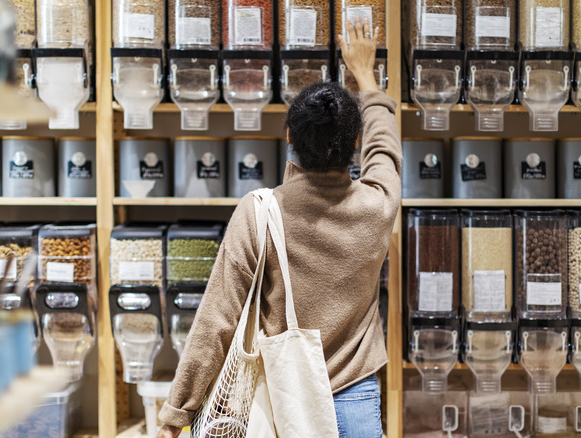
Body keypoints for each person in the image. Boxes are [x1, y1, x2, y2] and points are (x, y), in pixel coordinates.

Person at [156, 16, 401, 438]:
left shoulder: (260, 212)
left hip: (281, 404)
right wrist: (366, 77)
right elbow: (386, 147)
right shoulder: (377, 204)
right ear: (354, 143)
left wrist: (176, 414)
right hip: (356, 402)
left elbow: (217, 319)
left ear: (289, 135)